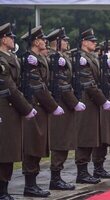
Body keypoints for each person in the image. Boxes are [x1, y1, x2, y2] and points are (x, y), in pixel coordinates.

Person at [21, 25, 64, 197]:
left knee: (38, 146)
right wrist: (52, 105)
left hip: (41, 108)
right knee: (32, 147)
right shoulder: (30, 59)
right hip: (34, 107)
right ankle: (29, 185)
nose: (45, 41)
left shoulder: (39, 57)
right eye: (42, 39)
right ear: (36, 41)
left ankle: (33, 184)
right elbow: (37, 86)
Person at [0, 22, 36, 200]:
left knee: (10, 151)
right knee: (5, 150)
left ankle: (4, 189)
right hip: (4, 110)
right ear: (3, 39)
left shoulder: (11, 57)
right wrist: (27, 108)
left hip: (13, 110)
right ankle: (2, 190)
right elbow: (10, 88)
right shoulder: (1, 60)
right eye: (11, 37)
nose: (13, 39)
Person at [46, 27, 86, 190]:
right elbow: (61, 83)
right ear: (56, 42)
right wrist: (74, 102)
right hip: (60, 103)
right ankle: (55, 178)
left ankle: (58, 177)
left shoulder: (63, 57)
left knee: (64, 141)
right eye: (64, 40)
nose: (67, 42)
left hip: (65, 104)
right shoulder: (53, 58)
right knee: (60, 141)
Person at [75, 28, 110, 184]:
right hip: (87, 101)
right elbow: (89, 83)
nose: (94, 43)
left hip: (94, 102)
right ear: (84, 42)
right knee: (85, 137)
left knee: (93, 137)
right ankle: (81, 173)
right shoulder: (82, 58)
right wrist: (103, 100)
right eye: (92, 41)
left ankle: (94, 169)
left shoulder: (93, 57)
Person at [92, 40, 110, 179]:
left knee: (107, 137)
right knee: (101, 137)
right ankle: (97, 167)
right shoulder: (98, 63)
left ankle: (100, 166)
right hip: (101, 104)